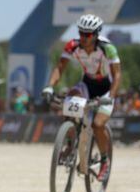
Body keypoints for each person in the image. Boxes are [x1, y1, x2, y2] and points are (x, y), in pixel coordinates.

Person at [41, 14, 121, 182]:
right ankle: (70, 143)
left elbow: (117, 75)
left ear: (96, 34)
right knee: (70, 99)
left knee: (98, 124)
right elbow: (60, 68)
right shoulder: (72, 45)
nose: (83, 37)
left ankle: (104, 161)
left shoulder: (108, 48)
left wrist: (111, 96)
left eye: (88, 34)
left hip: (106, 87)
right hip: (87, 83)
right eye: (81, 33)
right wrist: (49, 86)